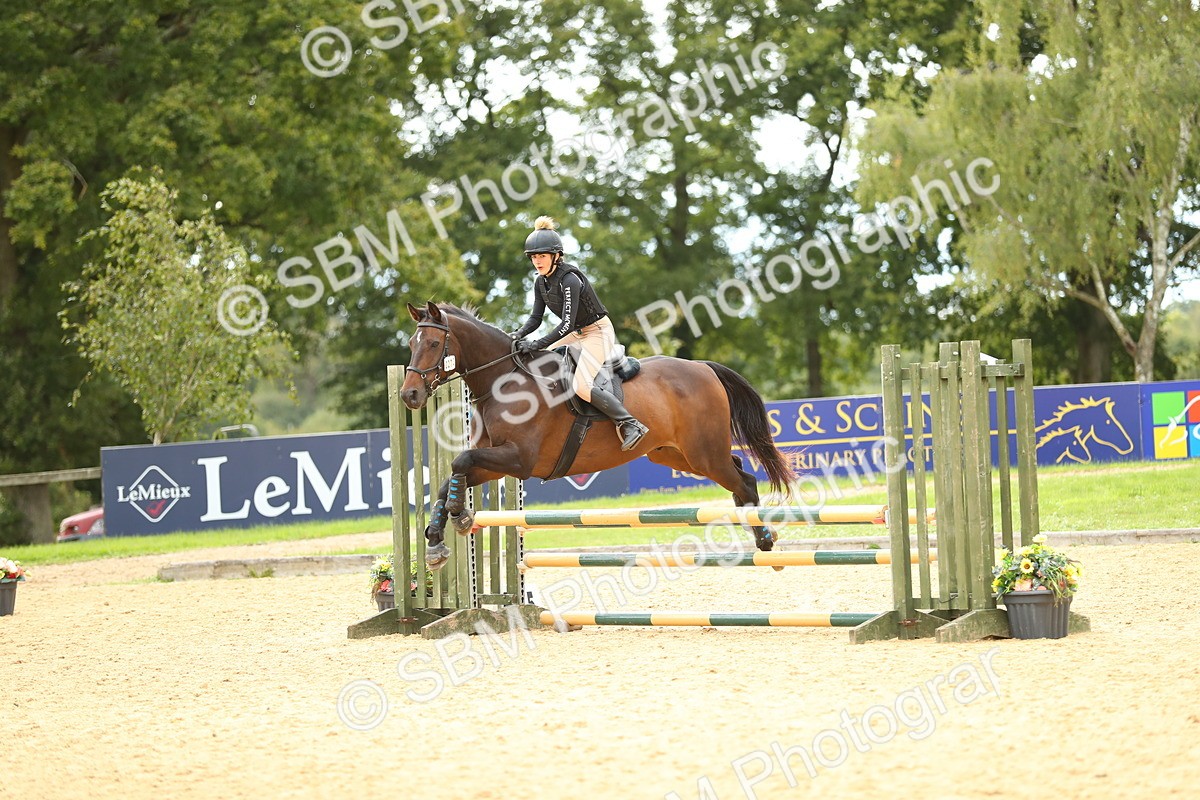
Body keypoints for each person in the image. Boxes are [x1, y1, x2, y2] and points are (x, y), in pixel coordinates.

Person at [510, 216, 649, 451]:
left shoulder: (569, 280)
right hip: (577, 332)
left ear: (556, 256)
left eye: (542, 256)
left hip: (597, 332)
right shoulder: (540, 283)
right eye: (534, 257)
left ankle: (630, 424)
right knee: (540, 361)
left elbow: (565, 324)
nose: (537, 261)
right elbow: (535, 319)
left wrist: (535, 344)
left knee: (582, 386)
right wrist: (516, 335)